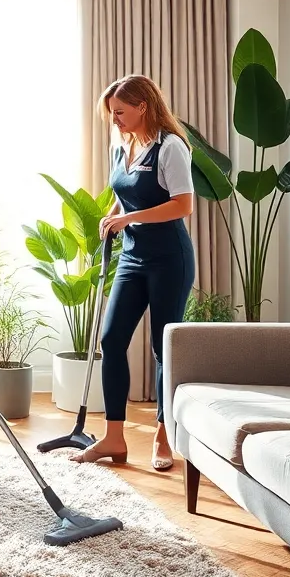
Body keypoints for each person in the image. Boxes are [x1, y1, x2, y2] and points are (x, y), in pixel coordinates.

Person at [70, 74, 196, 472]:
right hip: (132, 259)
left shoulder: (170, 148)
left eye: (121, 113)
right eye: (112, 115)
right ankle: (114, 437)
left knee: (162, 348)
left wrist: (131, 219)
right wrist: (113, 217)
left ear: (143, 106)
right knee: (111, 339)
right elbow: (124, 197)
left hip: (168, 260)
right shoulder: (120, 146)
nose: (116, 120)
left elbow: (182, 205)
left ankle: (163, 435)